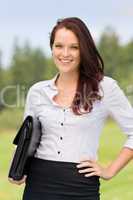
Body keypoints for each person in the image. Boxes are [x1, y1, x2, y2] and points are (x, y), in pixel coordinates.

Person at [9, 17, 133, 200]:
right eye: (59, 46)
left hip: (81, 187)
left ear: (84, 49)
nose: (65, 53)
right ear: (52, 48)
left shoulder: (105, 88)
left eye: (74, 47)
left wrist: (109, 171)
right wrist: (18, 167)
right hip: (38, 185)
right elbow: (27, 137)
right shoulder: (37, 91)